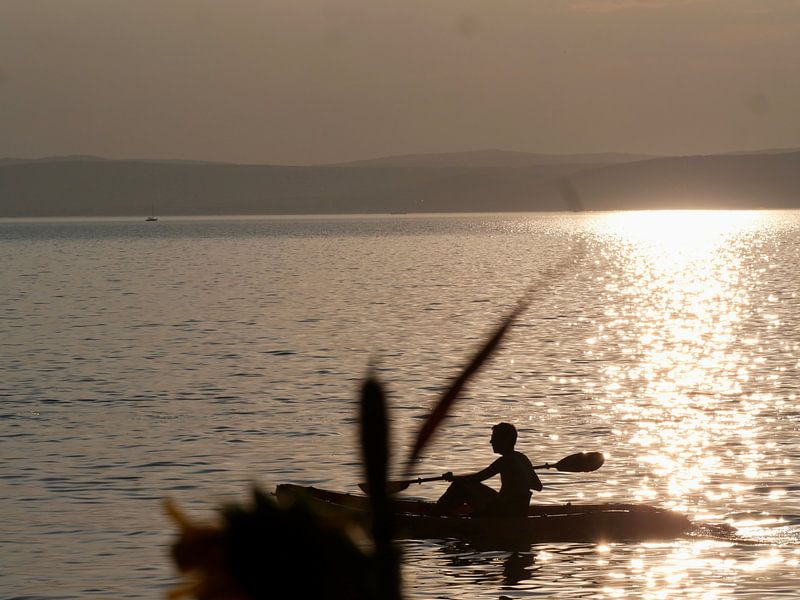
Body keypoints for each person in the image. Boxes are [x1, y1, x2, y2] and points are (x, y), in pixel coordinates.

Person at [436, 422, 542, 517]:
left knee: (459, 485)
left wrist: (452, 478)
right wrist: (520, 478)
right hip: (519, 510)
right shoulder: (522, 458)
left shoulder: (505, 461)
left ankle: (435, 516)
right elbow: (538, 486)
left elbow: (477, 478)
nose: (491, 441)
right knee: (470, 485)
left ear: (505, 440)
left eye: (494, 438)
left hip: (504, 514)